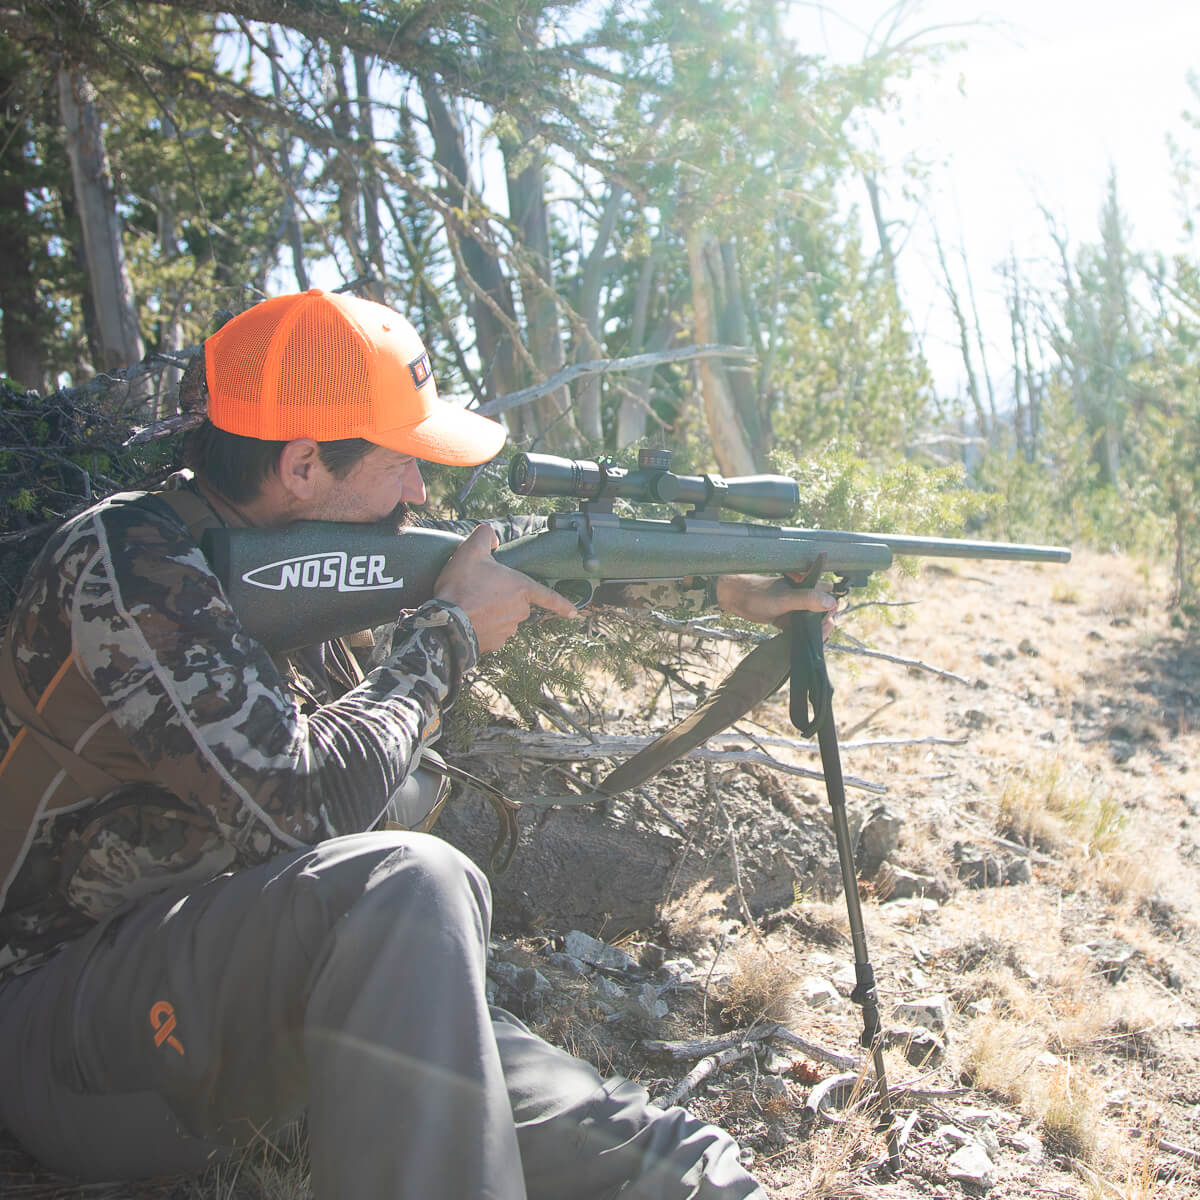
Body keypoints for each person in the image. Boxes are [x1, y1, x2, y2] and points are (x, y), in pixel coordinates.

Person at [0, 289, 837, 1198]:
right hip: (64, 1033)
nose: (419, 492)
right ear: (304, 464)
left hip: (260, 991)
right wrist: (446, 637)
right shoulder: (128, 562)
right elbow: (299, 804)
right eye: (401, 463)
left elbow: (520, 569)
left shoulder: (301, 564)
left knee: (652, 1157)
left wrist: (717, 585)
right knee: (407, 882)